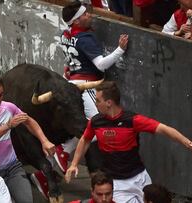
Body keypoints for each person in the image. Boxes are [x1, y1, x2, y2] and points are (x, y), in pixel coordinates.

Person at [65, 81, 192, 203]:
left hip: (140, 178)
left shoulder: (132, 120)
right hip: (117, 183)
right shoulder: (96, 122)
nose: (95, 104)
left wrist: (189, 144)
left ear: (109, 103)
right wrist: (74, 164)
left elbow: (164, 129)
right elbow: (85, 139)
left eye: (98, 100)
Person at [55, 0, 129, 175]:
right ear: (77, 21)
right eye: (85, 14)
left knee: (87, 126)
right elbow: (101, 65)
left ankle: (62, 153)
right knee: (97, 127)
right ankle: (63, 151)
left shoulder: (66, 34)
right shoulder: (85, 38)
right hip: (86, 86)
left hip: (72, 84)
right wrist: (120, 50)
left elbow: (68, 65)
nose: (90, 15)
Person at [0, 76, 55, 202]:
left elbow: (29, 121)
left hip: (12, 167)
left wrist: (44, 141)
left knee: (26, 201)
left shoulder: (9, 107)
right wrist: (8, 126)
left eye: (0, 95)